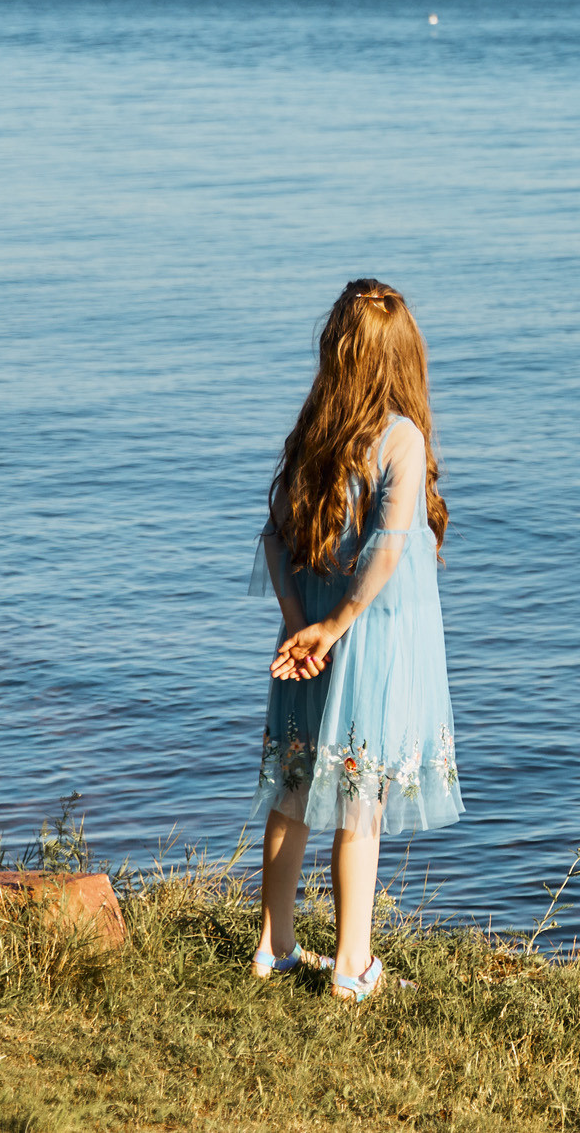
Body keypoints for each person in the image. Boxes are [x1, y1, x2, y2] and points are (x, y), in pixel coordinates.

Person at [247, 279, 463, 1001]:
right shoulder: (402, 436)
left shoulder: (314, 434)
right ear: (405, 357)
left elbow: (275, 539)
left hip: (303, 635)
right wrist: (334, 626)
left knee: (295, 785)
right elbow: (387, 549)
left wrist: (296, 621)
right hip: (362, 638)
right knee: (357, 794)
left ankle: (274, 945)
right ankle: (352, 964)